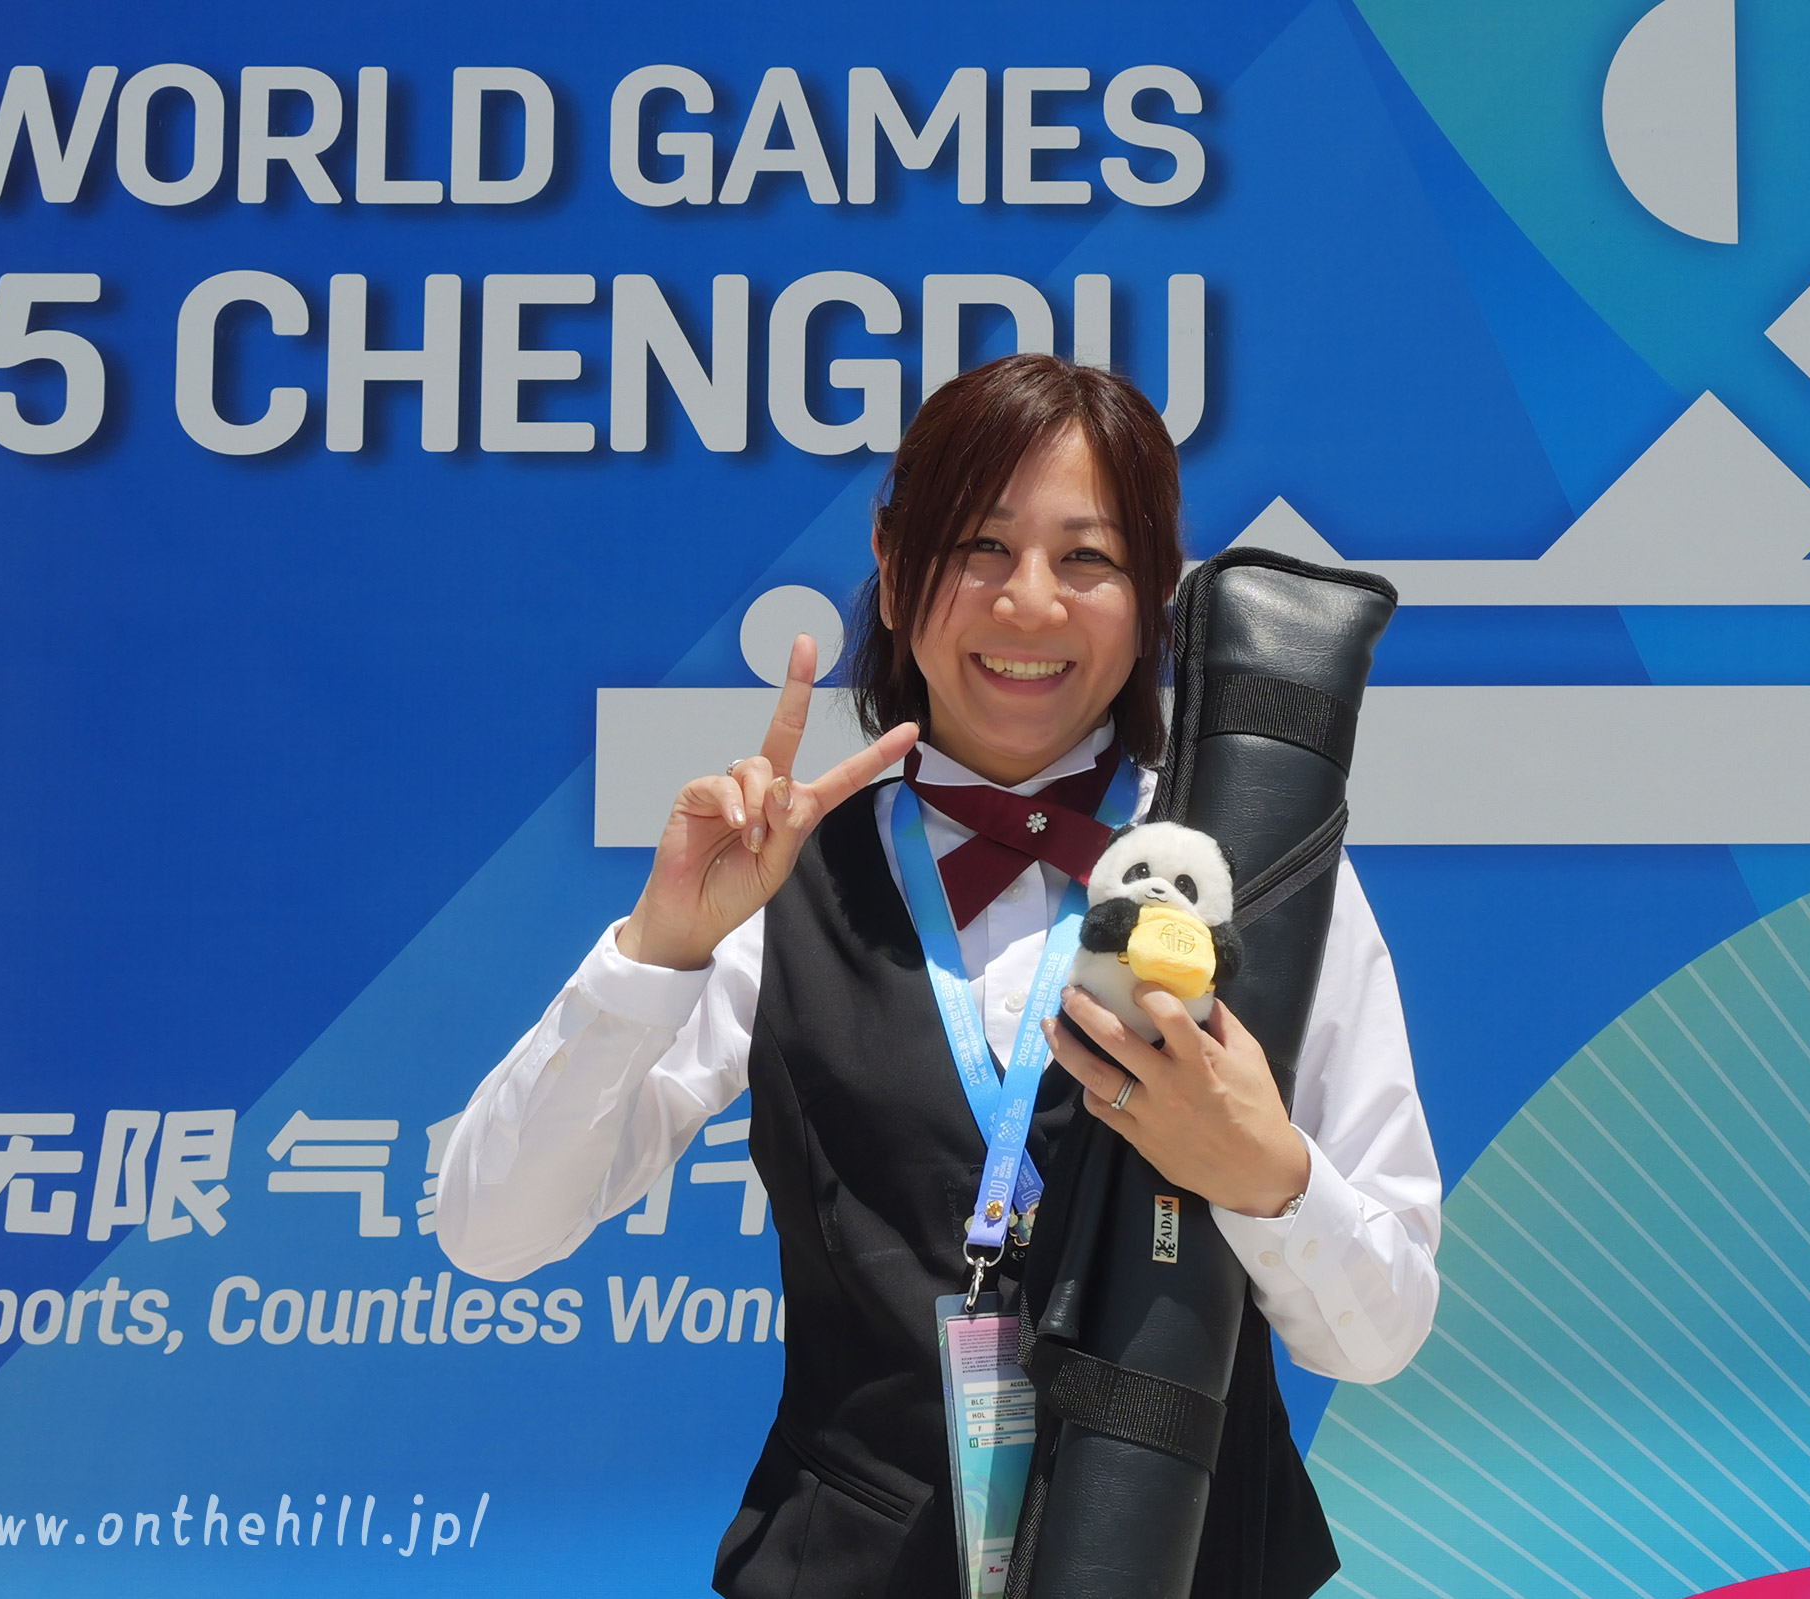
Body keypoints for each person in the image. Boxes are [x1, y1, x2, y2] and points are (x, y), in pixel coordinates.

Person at [436, 355, 1440, 1599]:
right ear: (893, 560)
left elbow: (1380, 1334)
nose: (1029, 603)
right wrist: (659, 947)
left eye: (1087, 558)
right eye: (981, 546)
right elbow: (492, 1231)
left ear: (1156, 594)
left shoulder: (1254, 887)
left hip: (1192, 1563)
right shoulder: (779, 878)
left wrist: (1261, 1173)